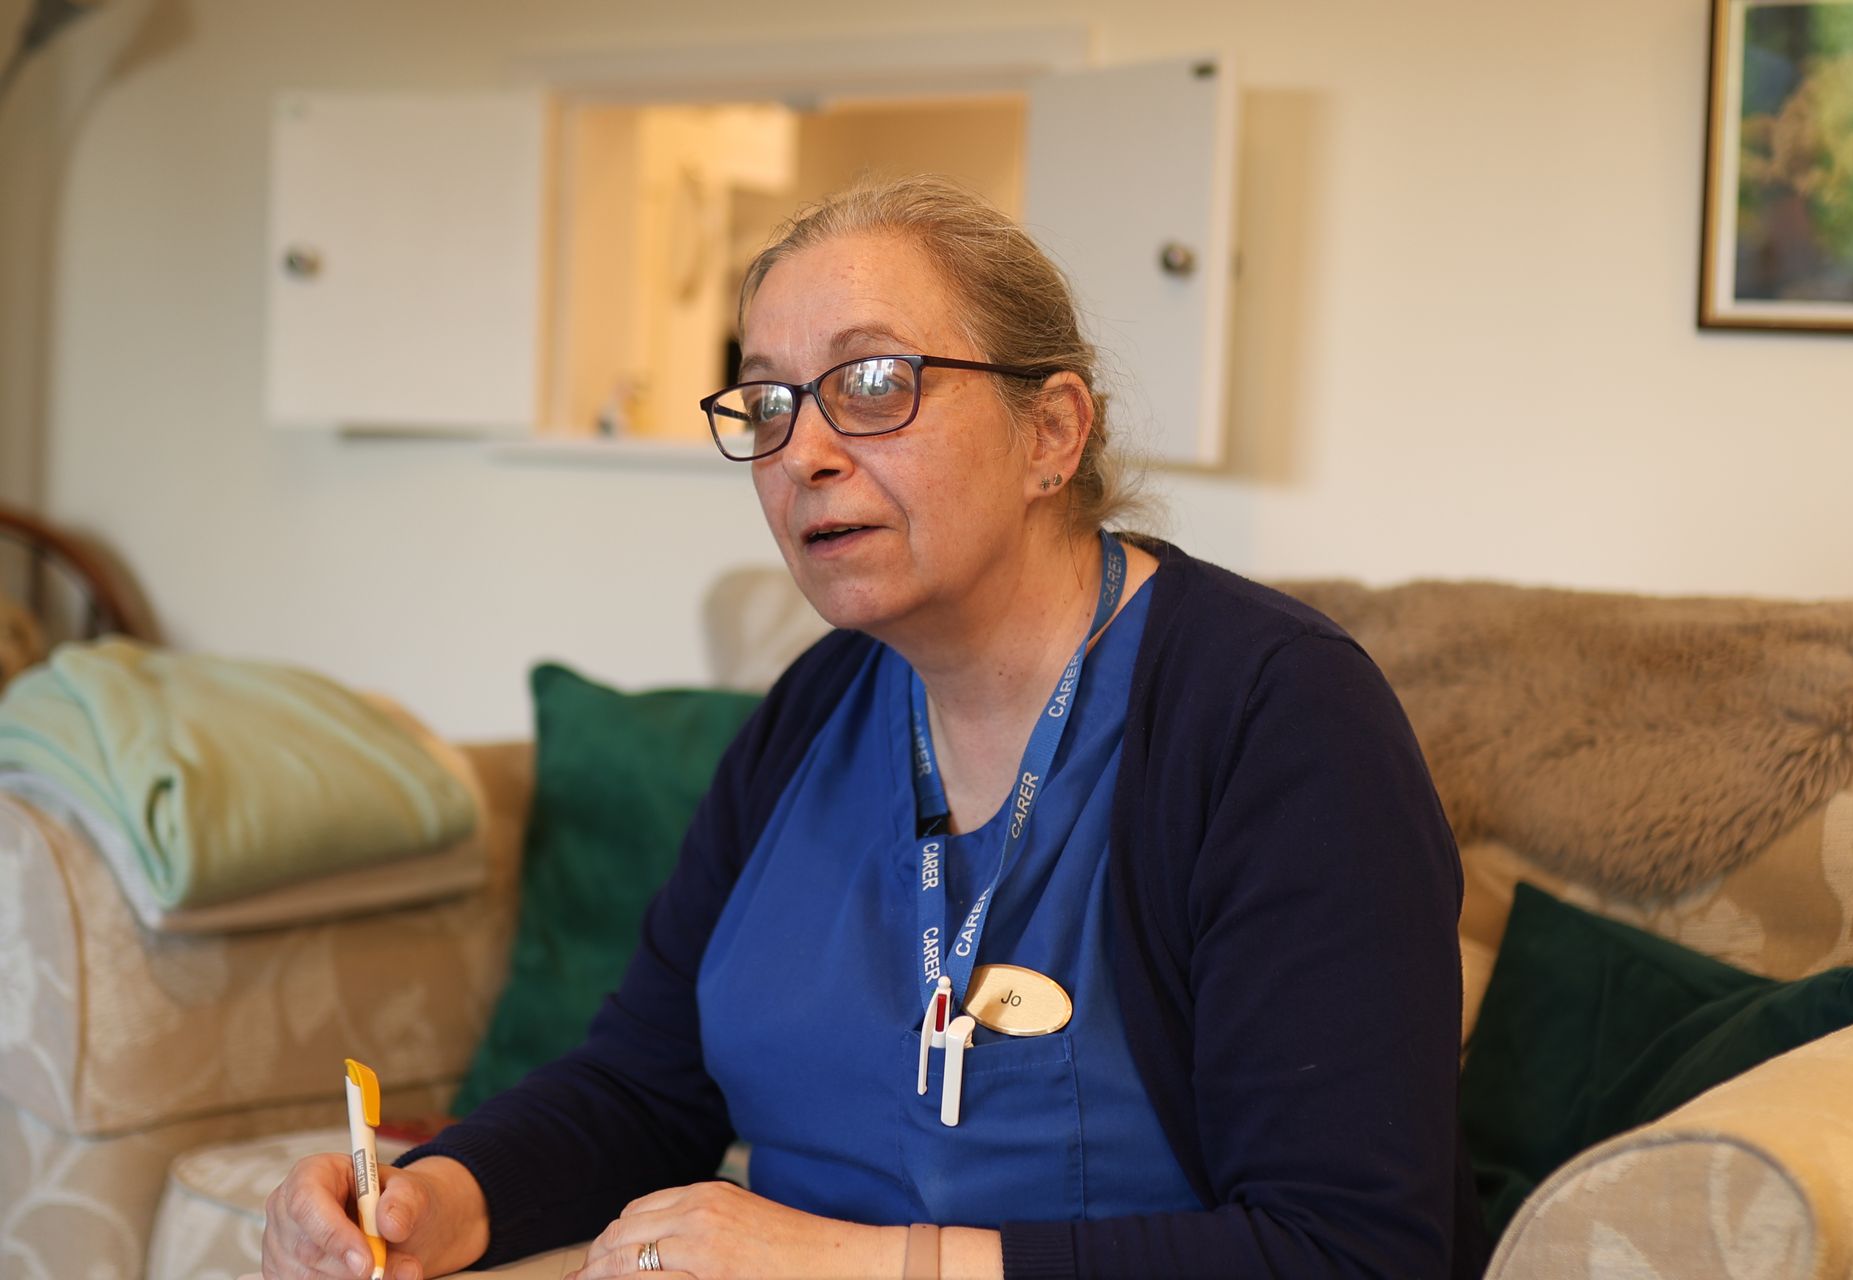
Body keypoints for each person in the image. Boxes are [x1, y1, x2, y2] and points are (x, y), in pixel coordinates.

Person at [261, 175, 1483, 1280]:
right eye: (768, 402)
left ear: (1052, 432)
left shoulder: (1277, 717)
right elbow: (645, 1084)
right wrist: (434, 1198)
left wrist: (854, 1262)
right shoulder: (815, 708)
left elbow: (1348, 1247)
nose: (804, 453)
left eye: (875, 383)